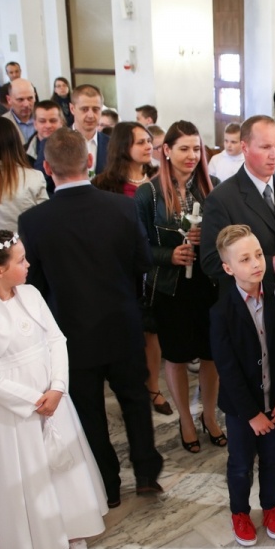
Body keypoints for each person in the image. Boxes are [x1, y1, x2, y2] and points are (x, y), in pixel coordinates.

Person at [18, 128, 165, 509]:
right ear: (88, 161)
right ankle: (146, 474)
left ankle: (107, 483)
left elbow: (35, 284)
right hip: (122, 322)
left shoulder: (33, 221)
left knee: (89, 410)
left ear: (47, 167)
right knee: (135, 399)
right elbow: (142, 263)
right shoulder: (122, 208)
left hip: (71, 332)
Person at [0, 224, 107, 549]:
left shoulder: (32, 294)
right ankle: (43, 540)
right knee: (29, 472)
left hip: (52, 395)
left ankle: (72, 527)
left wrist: (57, 387)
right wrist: (36, 400)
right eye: (21, 260)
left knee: (61, 466)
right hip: (14, 409)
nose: (28, 265)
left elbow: (56, 340)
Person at [200, 115, 275, 473]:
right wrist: (267, 263)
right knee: (252, 368)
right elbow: (210, 261)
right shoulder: (223, 197)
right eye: (265, 147)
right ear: (244, 147)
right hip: (247, 303)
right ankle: (251, 441)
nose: (274, 154)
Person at [210, 225, 275, 547]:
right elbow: (227, 369)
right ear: (228, 268)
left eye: (259, 255)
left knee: (273, 460)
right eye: (245, 259)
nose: (256, 264)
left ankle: (270, 507)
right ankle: (240, 512)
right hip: (242, 411)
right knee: (240, 465)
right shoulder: (221, 312)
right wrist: (251, 414)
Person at [135, 120, 223, 453]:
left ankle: (209, 415)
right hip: (170, 287)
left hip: (208, 282)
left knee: (211, 355)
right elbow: (138, 248)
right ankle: (186, 419)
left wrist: (209, 237)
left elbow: (227, 236)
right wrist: (168, 255)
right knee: (176, 356)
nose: (191, 155)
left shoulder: (212, 186)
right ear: (167, 151)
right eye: (183, 148)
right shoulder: (148, 193)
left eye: (196, 148)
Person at [92, 122, 171, 415]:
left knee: (152, 332)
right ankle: (127, 387)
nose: (148, 146)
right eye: (140, 142)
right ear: (123, 146)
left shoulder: (159, 179)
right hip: (119, 269)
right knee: (123, 333)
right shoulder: (103, 184)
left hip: (153, 264)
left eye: (149, 141)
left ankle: (153, 387)